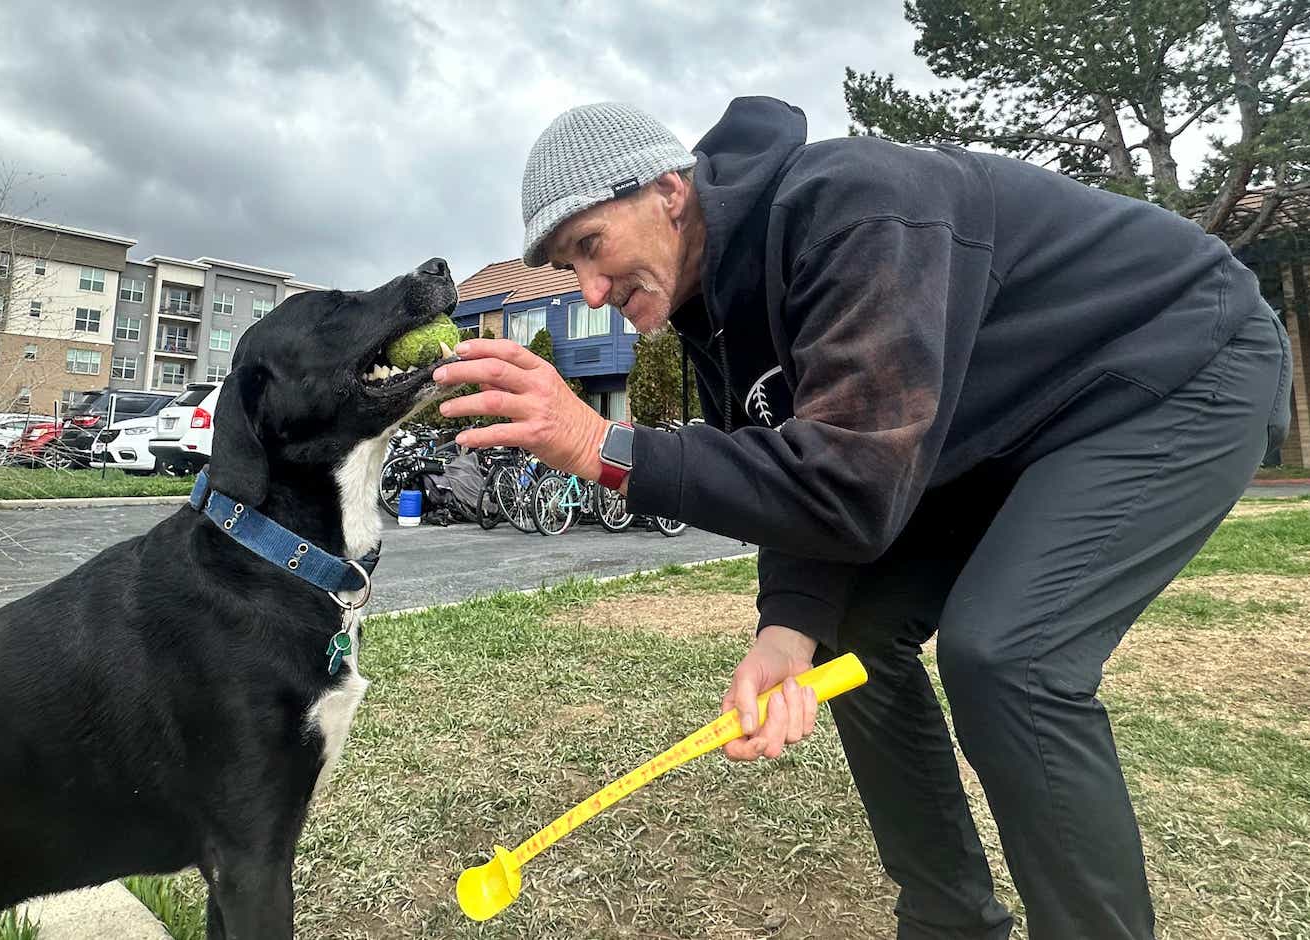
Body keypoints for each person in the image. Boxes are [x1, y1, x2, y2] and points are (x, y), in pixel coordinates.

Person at [432, 97, 1292, 940]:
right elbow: (799, 462)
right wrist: (788, 629)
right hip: (1006, 427)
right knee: (848, 640)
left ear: (669, 192)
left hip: (1176, 362)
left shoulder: (852, 210)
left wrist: (602, 445)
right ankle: (948, 920)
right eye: (563, 268)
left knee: (1009, 656)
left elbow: (849, 485)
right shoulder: (713, 311)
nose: (589, 286)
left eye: (590, 245)